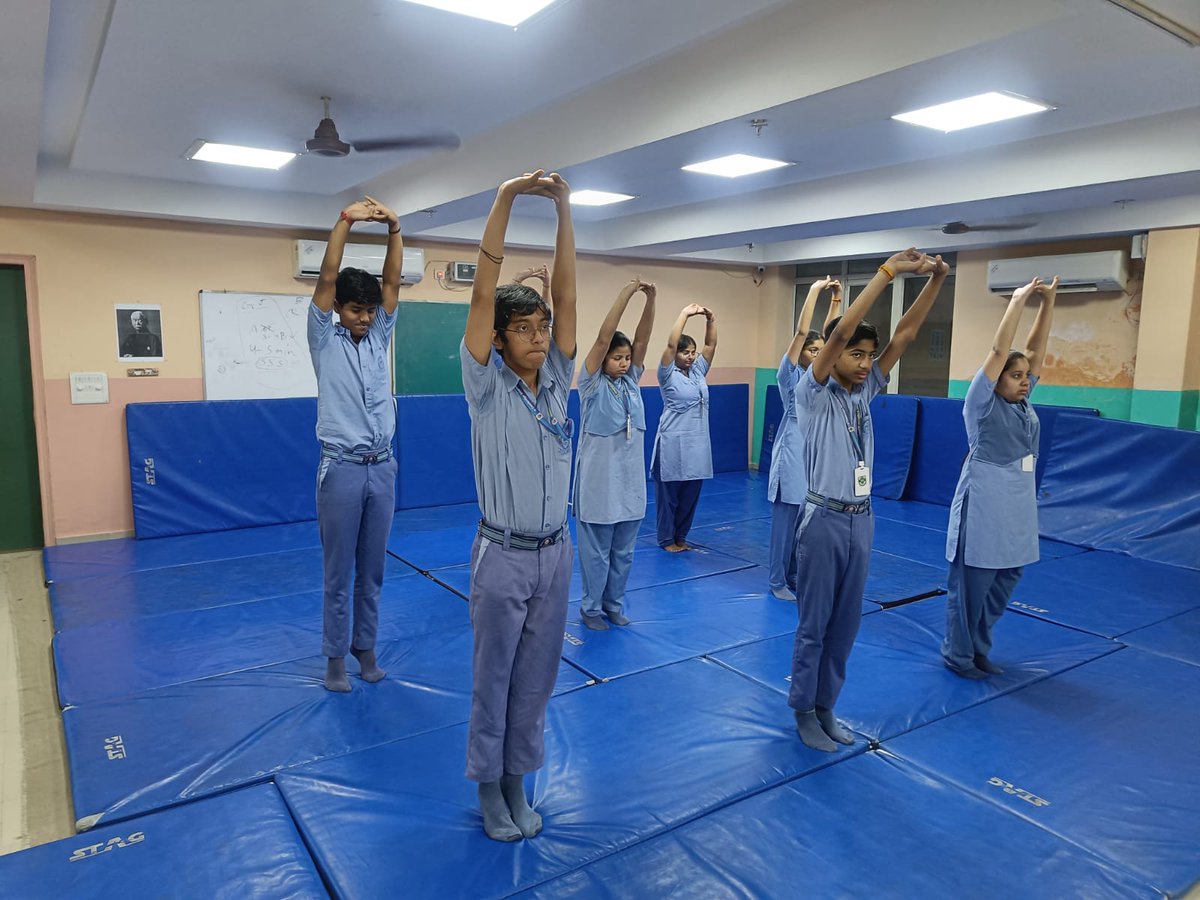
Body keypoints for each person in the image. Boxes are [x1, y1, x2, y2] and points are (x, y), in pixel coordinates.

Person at [788, 249, 948, 752]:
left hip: (862, 519)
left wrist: (938, 280)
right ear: (831, 356)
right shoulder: (811, 393)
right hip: (823, 517)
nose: (863, 364)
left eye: (867, 357)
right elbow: (836, 335)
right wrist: (886, 273)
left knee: (847, 623)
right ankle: (803, 708)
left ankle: (828, 704)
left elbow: (905, 334)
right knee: (815, 624)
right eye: (855, 355)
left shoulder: (864, 391)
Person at [460, 170, 576, 842]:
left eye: (541, 327)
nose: (536, 337)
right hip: (501, 555)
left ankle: (517, 780)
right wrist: (505, 199)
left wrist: (564, 211)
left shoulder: (558, 380)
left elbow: (565, 289)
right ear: (499, 339)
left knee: (535, 680)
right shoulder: (485, 386)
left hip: (554, 555)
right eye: (521, 329)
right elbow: (481, 292)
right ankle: (487, 787)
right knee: (494, 678)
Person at [942, 276, 1059, 678]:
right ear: (996, 380)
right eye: (1015, 375)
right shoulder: (981, 404)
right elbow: (999, 350)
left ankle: (979, 647)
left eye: (1026, 375)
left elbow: (1035, 351)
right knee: (973, 586)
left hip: (1018, 505)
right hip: (985, 503)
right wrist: (1020, 300)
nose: (1025, 380)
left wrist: (1048, 304)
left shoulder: (1023, 405)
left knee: (1006, 578)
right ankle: (958, 654)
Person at [308, 195, 403, 693]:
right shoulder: (325, 336)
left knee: (374, 571)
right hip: (341, 469)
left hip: (382, 466)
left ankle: (365, 648)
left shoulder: (380, 335)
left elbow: (391, 283)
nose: (364, 318)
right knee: (338, 573)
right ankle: (334, 661)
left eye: (368, 311)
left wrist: (394, 229)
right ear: (339, 309)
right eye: (355, 310)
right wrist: (345, 220)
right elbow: (326, 278)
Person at [575, 277, 656, 630]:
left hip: (630, 485)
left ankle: (613, 603)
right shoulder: (591, 384)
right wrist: (626, 294)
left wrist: (651, 299)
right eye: (617, 358)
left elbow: (642, 339)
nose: (624, 362)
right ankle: (590, 608)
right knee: (596, 553)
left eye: (627, 358)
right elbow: (603, 337)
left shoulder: (632, 382)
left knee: (623, 552)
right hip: (599, 484)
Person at [767, 276, 842, 600]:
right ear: (801, 354)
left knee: (805, 525)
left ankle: (795, 574)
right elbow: (801, 334)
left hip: (814, 455)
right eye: (812, 350)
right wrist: (813, 293)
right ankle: (776, 580)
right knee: (785, 525)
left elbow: (834, 339)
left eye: (820, 351)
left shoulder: (821, 382)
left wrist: (837, 302)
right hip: (792, 453)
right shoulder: (789, 377)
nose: (818, 354)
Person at [652, 303, 718, 552]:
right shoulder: (667, 374)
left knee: (690, 496)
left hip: (697, 445)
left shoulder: (698, 372)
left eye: (692, 352)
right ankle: (667, 539)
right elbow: (670, 345)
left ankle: (681, 536)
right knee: (669, 497)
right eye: (685, 352)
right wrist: (685, 315)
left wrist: (711, 320)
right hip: (672, 444)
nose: (690, 356)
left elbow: (710, 346)